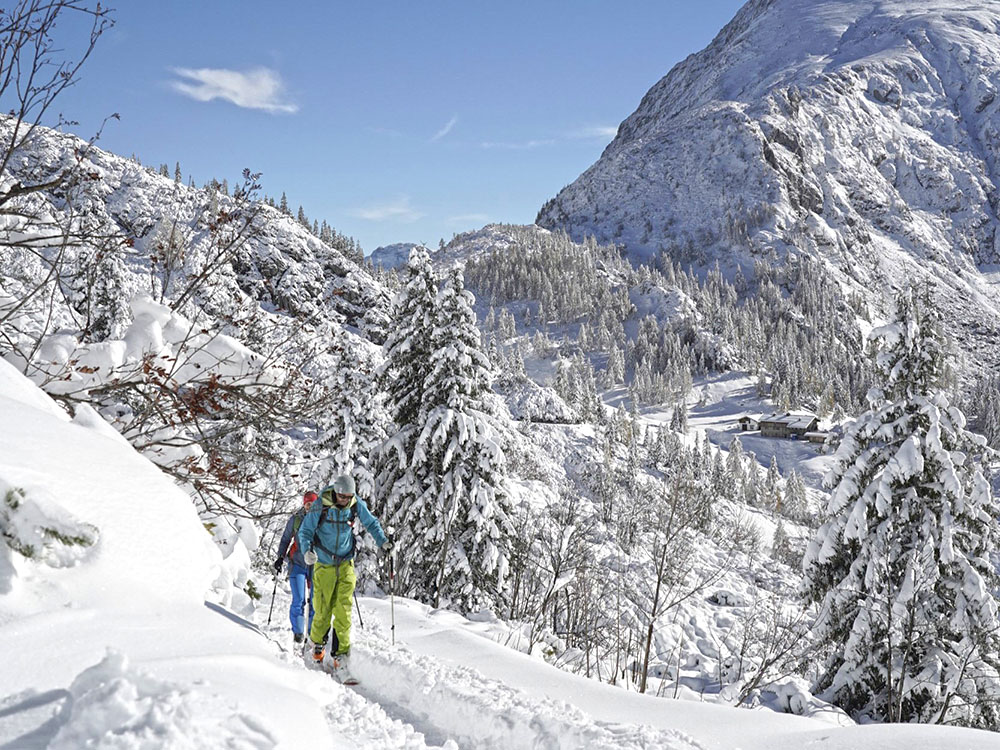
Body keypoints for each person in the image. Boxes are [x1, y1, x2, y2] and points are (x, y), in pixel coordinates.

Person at [298, 474, 390, 678]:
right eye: (342, 497)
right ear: (336, 493)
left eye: (349, 497)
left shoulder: (356, 505)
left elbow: (371, 523)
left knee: (343, 611)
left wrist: (382, 541)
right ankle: (316, 646)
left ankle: (340, 657)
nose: (345, 501)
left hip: (346, 564)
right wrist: (307, 551)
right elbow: (305, 531)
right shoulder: (321, 505)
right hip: (324, 564)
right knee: (322, 611)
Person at [273, 491, 318, 643]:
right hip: (297, 563)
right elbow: (286, 539)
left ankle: (312, 634)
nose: (309, 507)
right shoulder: (296, 520)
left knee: (315, 602)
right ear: (304, 504)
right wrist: (280, 557)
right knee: (298, 599)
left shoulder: (322, 520)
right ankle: (298, 633)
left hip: (316, 566)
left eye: (312, 504)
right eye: (307, 504)